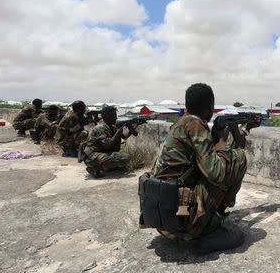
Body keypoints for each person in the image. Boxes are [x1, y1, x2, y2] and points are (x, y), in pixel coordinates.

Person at [147, 83, 260, 255]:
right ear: (210, 107)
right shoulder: (196, 125)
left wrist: (244, 130)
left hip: (165, 220)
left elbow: (209, 155)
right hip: (182, 226)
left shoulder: (182, 123)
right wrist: (221, 141)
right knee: (238, 159)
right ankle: (208, 231)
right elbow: (217, 173)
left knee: (229, 156)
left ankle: (209, 220)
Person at [81, 106, 136, 178]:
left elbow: (124, 136)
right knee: (125, 158)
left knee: (124, 157)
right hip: (91, 156)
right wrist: (117, 132)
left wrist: (136, 125)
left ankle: (106, 167)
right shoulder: (101, 127)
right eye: (114, 116)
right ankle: (94, 168)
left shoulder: (110, 126)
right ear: (107, 117)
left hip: (100, 153)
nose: (116, 118)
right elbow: (107, 145)